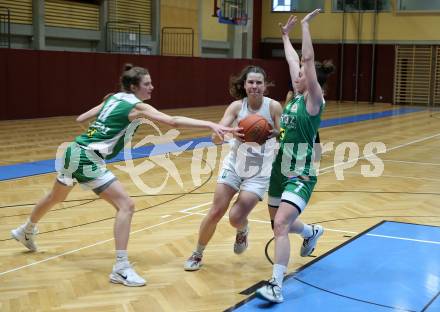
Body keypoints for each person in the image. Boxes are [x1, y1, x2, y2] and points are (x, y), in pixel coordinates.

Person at [11, 64, 236, 287]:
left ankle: (26, 230)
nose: (152, 87)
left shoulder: (114, 97)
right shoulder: (136, 107)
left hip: (73, 150)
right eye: (147, 84)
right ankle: (120, 268)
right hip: (87, 157)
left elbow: (81, 118)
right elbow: (173, 121)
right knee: (126, 206)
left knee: (55, 197)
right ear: (133, 86)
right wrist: (210, 123)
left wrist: (103, 126)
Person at [256, 10, 335, 303]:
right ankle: (311, 231)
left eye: (302, 73)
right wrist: (285, 36)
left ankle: (276, 285)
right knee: (280, 222)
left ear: (312, 80)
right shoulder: (295, 97)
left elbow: (306, 61)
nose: (298, 74)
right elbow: (293, 60)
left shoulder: (314, 100)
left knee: (280, 226)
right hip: (279, 168)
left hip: (300, 172)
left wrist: (304, 27)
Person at [184, 65, 283, 271]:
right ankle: (197, 253)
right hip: (235, 165)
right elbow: (216, 136)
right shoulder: (237, 107)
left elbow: (283, 134)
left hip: (258, 171)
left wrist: (274, 134)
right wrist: (227, 134)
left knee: (235, 217)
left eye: (258, 83)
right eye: (251, 82)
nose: (254, 86)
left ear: (265, 86)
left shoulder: (273, 107)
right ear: (244, 85)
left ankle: (243, 228)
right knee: (216, 211)